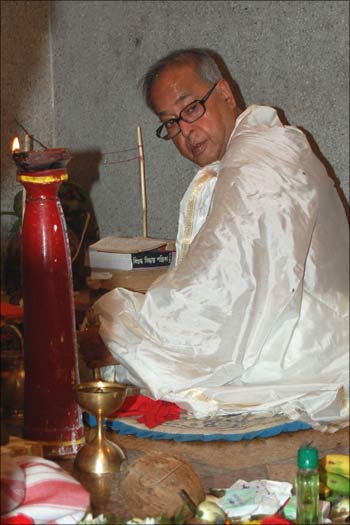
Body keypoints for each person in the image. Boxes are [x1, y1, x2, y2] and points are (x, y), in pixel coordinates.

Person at [80, 48, 349, 429]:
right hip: (288, 333)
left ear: (225, 93)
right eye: (170, 122)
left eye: (190, 109)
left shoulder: (260, 160)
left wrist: (122, 329)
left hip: (299, 353)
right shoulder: (254, 148)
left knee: (119, 347)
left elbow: (224, 290)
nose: (185, 131)